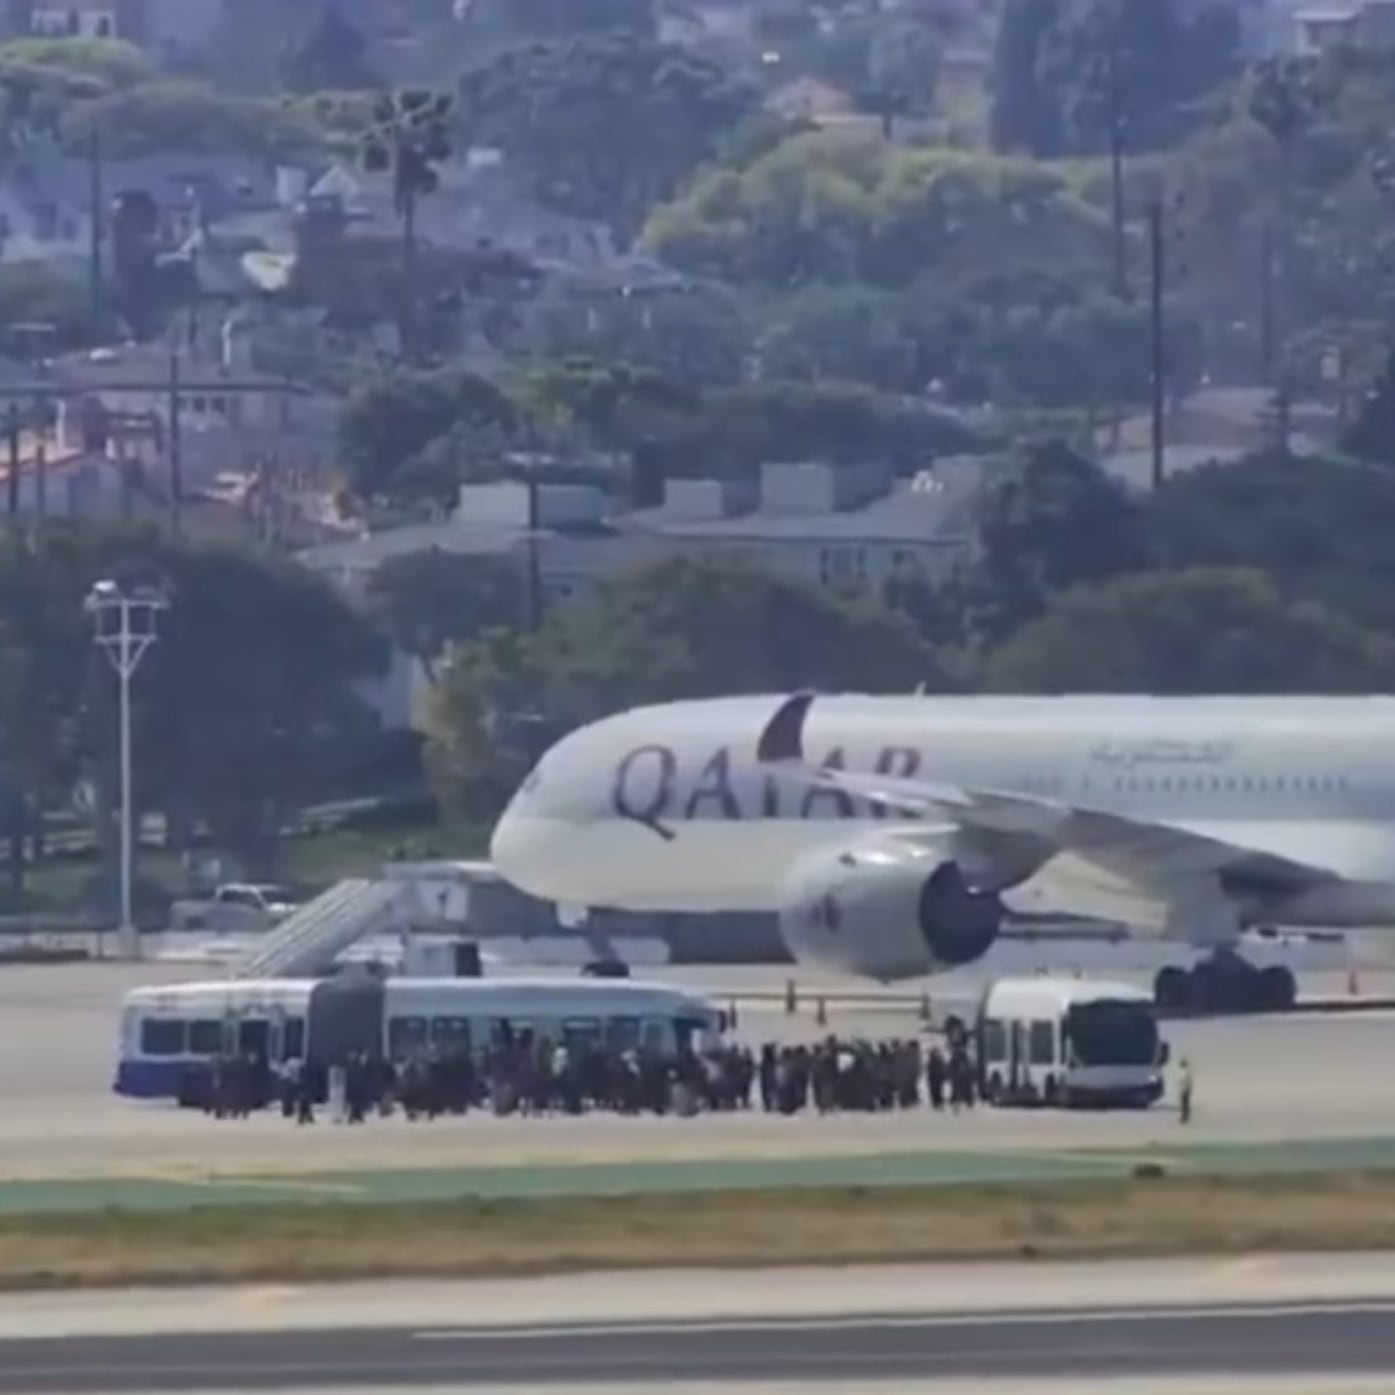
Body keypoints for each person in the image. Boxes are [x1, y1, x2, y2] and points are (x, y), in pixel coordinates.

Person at [1178, 1056, 1194, 1125]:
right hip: (1184, 1090)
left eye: (1181, 1063)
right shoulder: (1184, 1071)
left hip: (1185, 1090)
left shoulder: (1185, 1072)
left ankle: (1185, 1117)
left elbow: (1186, 1081)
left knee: (1184, 1104)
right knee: (1184, 1103)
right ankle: (1185, 1116)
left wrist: (1187, 1089)